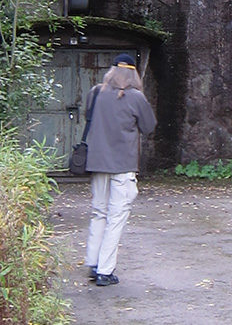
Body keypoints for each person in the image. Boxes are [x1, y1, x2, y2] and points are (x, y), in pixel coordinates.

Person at [83, 53, 157, 287]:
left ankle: (94, 264)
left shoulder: (96, 92)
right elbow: (149, 126)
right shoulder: (136, 98)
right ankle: (106, 270)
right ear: (133, 73)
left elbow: (88, 118)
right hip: (123, 166)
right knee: (116, 218)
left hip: (97, 162)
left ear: (112, 71)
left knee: (99, 213)